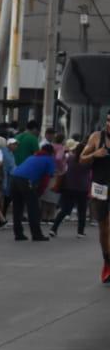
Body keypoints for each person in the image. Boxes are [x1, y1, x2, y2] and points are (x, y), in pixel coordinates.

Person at [79, 116, 110, 280]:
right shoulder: (97, 137)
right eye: (108, 120)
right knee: (104, 229)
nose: (109, 124)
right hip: (100, 188)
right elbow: (81, 159)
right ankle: (107, 261)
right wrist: (95, 154)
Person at [10, 143, 56, 242]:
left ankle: (18, 234)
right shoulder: (49, 160)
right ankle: (36, 234)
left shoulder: (32, 157)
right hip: (26, 181)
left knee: (17, 208)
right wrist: (39, 193)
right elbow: (46, 180)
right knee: (33, 208)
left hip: (14, 178)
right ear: (51, 153)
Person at [52, 137, 90, 238]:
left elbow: (59, 159)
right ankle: (80, 232)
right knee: (82, 211)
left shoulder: (70, 158)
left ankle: (54, 229)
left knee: (65, 210)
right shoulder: (88, 161)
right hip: (82, 188)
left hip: (68, 187)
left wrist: (64, 149)